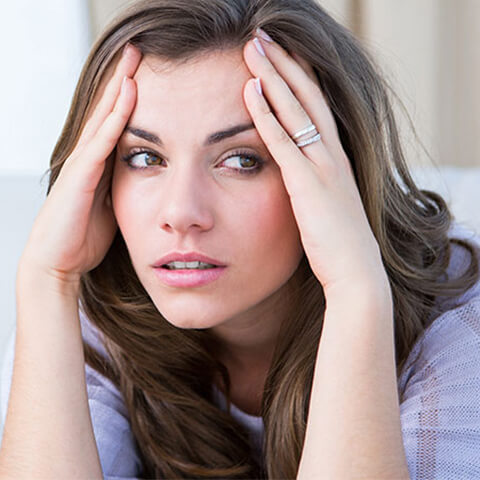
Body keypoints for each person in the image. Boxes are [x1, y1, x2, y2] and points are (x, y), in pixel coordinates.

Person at [1, 0, 479, 478]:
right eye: (145, 157)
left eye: (242, 160)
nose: (181, 214)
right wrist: (47, 279)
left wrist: (354, 290)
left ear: (340, 173)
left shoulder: (460, 330)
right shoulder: (99, 319)